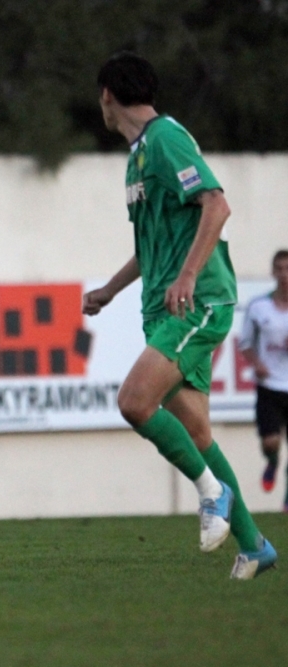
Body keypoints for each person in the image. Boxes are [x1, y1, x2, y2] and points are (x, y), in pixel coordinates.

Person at [82, 52, 277, 580]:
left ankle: (210, 494)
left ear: (107, 95)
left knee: (134, 402)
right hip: (163, 307)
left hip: (198, 300)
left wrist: (189, 275)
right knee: (196, 434)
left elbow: (216, 204)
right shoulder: (138, 156)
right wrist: (110, 291)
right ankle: (255, 545)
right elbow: (151, 246)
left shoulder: (166, 138)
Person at [239, 249, 288, 508]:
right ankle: (272, 461)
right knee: (271, 441)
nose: (284, 275)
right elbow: (245, 343)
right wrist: (257, 365)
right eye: (279, 269)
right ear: (273, 272)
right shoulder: (259, 307)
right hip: (270, 385)